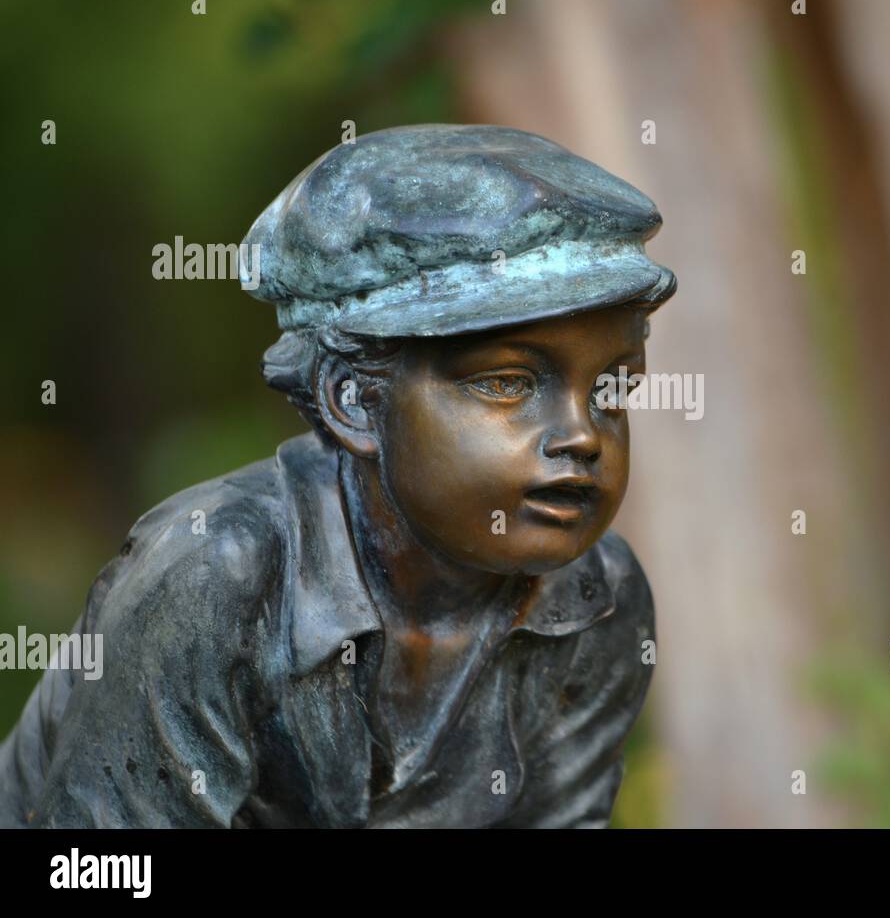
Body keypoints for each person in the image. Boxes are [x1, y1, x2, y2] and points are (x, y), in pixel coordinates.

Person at [0, 124, 675, 827]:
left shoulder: (597, 599)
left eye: (611, 390)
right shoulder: (213, 577)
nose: (580, 434)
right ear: (352, 400)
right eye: (506, 384)